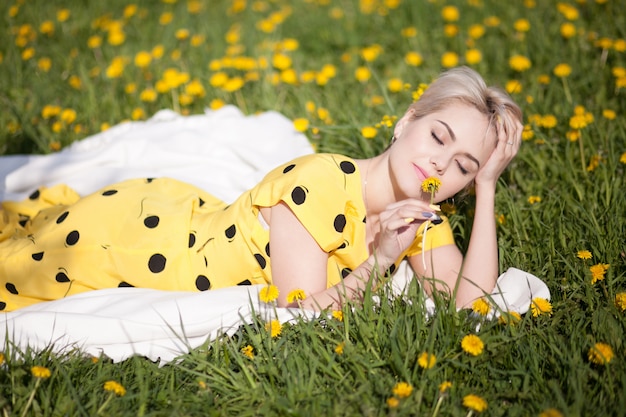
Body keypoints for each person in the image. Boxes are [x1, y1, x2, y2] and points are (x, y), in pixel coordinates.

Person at [0, 66, 522, 313]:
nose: (439, 162)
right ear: (407, 120)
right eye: (438, 136)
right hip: (144, 243)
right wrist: (381, 260)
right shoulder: (320, 184)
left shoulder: (423, 217)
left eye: (463, 165)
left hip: (177, 216)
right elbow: (300, 310)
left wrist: (489, 187)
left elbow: (471, 303)